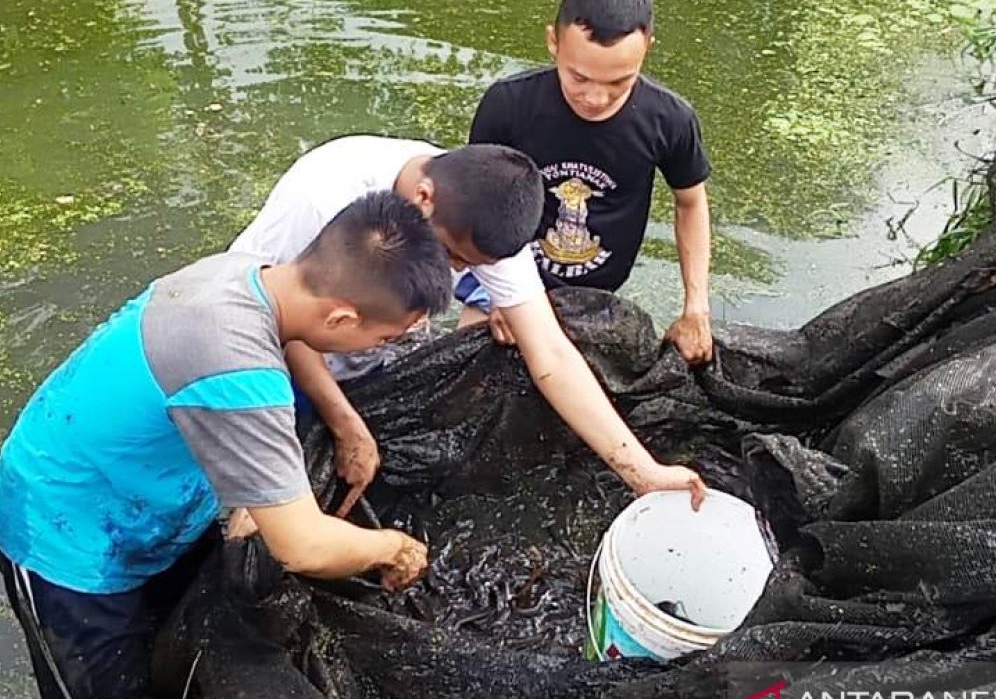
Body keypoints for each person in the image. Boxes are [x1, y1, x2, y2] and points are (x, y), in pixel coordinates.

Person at [0, 192, 452, 699]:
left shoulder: (248, 273)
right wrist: (391, 548)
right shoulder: (237, 371)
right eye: (386, 338)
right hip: (62, 537)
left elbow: (278, 354)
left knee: (166, 642)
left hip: (149, 501)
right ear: (343, 316)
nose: (385, 349)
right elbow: (303, 546)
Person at [229, 137, 707, 514]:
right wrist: (344, 423)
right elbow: (275, 320)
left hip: (369, 338)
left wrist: (642, 472)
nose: (455, 269)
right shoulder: (322, 197)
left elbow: (551, 355)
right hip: (263, 348)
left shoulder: (485, 217)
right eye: (454, 258)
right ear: (422, 199)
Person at [464, 0, 716, 365]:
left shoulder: (669, 120)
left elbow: (691, 203)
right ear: (553, 42)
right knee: (471, 369)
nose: (596, 98)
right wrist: (500, 294)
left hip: (599, 292)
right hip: (510, 273)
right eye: (578, 77)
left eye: (619, 82)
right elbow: (475, 203)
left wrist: (695, 307)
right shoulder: (509, 105)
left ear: (647, 47)